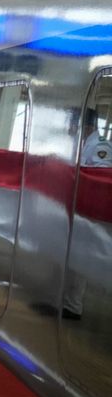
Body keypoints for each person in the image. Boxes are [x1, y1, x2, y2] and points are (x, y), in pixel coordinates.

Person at [64, 108, 110, 320]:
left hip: (92, 211)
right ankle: (69, 301)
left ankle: (73, 306)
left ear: (86, 124)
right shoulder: (86, 144)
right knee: (74, 255)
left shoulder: (100, 145)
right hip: (81, 207)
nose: (71, 128)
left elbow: (102, 177)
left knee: (82, 255)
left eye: (74, 123)